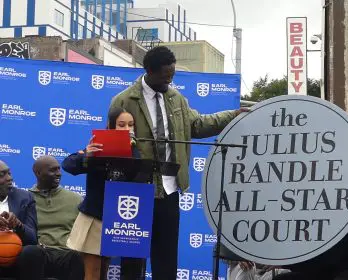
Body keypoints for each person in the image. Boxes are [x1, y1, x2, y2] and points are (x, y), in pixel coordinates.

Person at [110, 46, 247, 280]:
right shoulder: (124, 100)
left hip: (169, 187)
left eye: (172, 75)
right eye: (165, 76)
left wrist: (232, 116)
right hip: (135, 188)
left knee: (166, 256)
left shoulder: (177, 99)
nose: (169, 80)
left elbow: (197, 125)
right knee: (132, 257)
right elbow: (113, 142)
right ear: (149, 71)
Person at [62, 107, 144, 280]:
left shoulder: (135, 151)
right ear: (110, 126)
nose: (127, 129)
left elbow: (138, 177)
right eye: (121, 125)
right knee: (93, 272)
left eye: (131, 125)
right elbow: (68, 165)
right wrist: (88, 156)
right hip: (94, 217)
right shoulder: (96, 148)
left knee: (104, 271)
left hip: (116, 220)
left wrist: (132, 151)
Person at [17, 155, 85, 280]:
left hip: (65, 253)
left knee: (76, 257)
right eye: (53, 170)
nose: (59, 174)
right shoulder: (24, 199)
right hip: (38, 252)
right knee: (30, 252)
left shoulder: (75, 199)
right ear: (38, 173)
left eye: (59, 169)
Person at [0, 160, 37, 279]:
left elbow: (33, 239)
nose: (9, 178)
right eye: (2, 175)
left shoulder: (25, 198)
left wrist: (18, 224)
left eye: (9, 173)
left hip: (16, 255)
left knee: (32, 252)